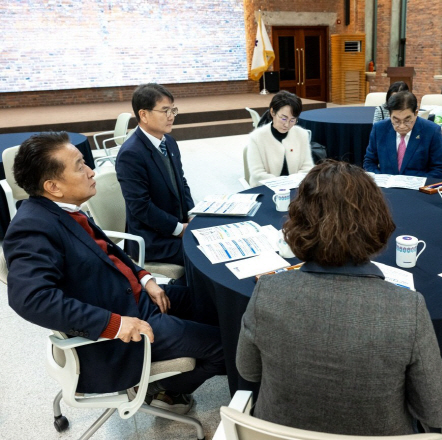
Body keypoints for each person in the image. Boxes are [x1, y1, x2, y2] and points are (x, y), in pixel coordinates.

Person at [3, 132, 225, 415]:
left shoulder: (64, 209)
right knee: (227, 346)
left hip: (135, 297)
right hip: (126, 324)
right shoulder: (32, 228)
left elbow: (108, 251)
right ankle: (164, 388)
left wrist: (144, 278)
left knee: (215, 303)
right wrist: (116, 325)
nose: (91, 171)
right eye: (80, 167)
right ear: (53, 186)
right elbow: (31, 299)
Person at [236, 160, 442, 435]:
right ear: (376, 220)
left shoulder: (267, 292)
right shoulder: (407, 309)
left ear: (299, 219)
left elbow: (249, 372)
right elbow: (438, 411)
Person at [115, 83, 194, 267]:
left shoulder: (169, 142)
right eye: (165, 111)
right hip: (152, 240)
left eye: (173, 110)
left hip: (178, 226)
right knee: (203, 253)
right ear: (143, 115)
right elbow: (140, 206)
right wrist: (178, 229)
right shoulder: (131, 153)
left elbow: (181, 183)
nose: (171, 116)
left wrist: (191, 214)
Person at [363, 91, 442, 178]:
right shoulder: (379, 129)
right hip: (386, 184)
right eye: (396, 121)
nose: (402, 126)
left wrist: (417, 182)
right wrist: (381, 178)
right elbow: (369, 162)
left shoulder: (431, 131)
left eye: (407, 120)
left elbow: (440, 170)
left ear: (416, 113)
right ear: (389, 114)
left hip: (418, 185)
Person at [246, 90, 314, 187]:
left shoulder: (302, 134)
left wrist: (293, 183)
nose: (287, 125)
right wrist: (282, 184)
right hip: (266, 188)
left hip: (295, 188)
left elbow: (307, 168)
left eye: (292, 120)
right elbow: (257, 174)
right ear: (272, 112)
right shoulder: (257, 137)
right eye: (283, 118)